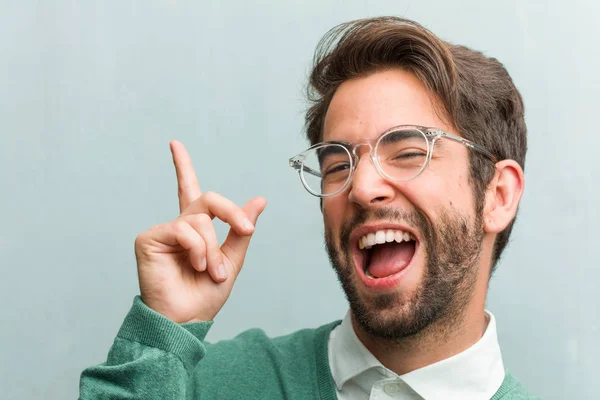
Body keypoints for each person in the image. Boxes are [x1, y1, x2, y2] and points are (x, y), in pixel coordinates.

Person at [80, 16, 538, 399]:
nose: (360, 187)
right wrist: (162, 339)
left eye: (407, 152)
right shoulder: (198, 383)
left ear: (498, 196)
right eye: (338, 164)